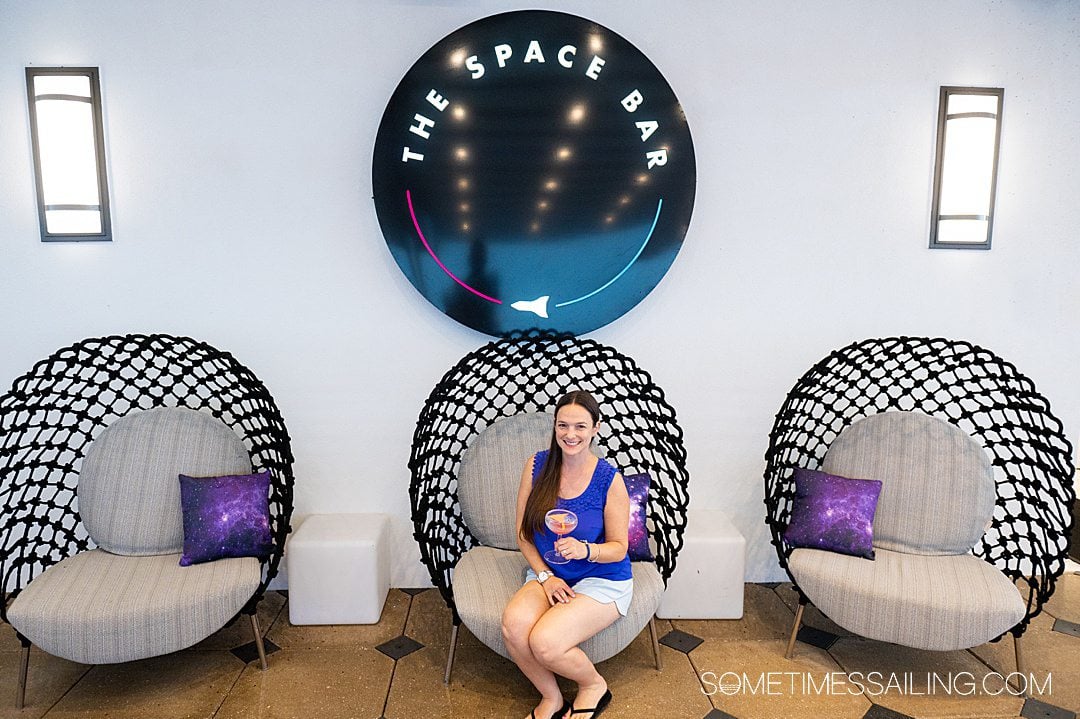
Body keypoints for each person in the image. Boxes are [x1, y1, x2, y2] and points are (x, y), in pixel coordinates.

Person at [501, 390, 631, 719]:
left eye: (580, 426)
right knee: (514, 625)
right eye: (563, 425)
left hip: (602, 578)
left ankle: (593, 685)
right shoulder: (537, 465)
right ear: (555, 427)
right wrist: (545, 577)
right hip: (550, 574)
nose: (570, 434)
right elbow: (523, 533)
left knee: (545, 641)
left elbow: (619, 548)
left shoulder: (609, 479)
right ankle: (552, 698)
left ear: (595, 429)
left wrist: (584, 549)